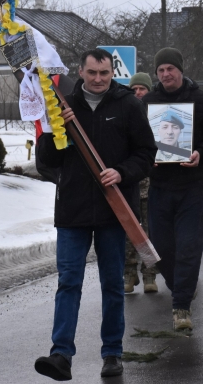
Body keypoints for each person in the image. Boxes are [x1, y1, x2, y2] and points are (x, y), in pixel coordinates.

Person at [34, 49, 156, 381]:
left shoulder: (127, 104)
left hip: (114, 209)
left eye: (104, 73)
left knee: (112, 284)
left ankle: (112, 353)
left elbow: (146, 153)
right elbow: (47, 160)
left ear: (111, 72)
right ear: (81, 71)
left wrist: (122, 172)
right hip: (72, 209)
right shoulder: (64, 105)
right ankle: (61, 354)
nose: (99, 79)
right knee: (68, 282)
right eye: (92, 73)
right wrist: (51, 127)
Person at [142, 48, 203, 331]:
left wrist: (201, 152)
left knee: (189, 247)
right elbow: (137, 139)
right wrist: (145, 159)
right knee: (162, 249)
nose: (166, 74)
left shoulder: (200, 100)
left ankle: (181, 306)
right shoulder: (149, 102)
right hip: (159, 187)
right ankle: (180, 285)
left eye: (171, 68)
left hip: (191, 187)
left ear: (180, 70)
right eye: (161, 70)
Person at [124, 72, 159, 294]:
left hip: (152, 183)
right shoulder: (123, 114)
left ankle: (149, 275)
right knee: (129, 230)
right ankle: (128, 274)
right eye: (134, 89)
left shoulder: (158, 116)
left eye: (142, 89)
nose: (138, 93)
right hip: (128, 183)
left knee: (147, 232)